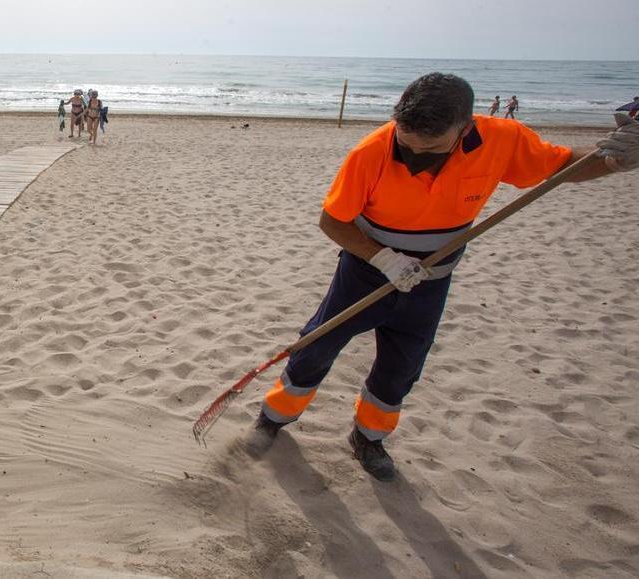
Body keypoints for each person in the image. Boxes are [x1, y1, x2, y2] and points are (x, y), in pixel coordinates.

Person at [247, 72, 637, 482]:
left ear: (466, 127)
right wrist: (386, 259)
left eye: (430, 149)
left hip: (431, 281)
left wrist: (612, 162)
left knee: (402, 365)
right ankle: (273, 419)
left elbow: (561, 167)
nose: (415, 157)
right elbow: (333, 221)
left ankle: (368, 438)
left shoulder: (503, 139)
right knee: (318, 344)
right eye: (407, 143)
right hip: (366, 272)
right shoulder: (371, 152)